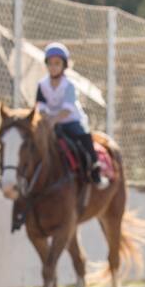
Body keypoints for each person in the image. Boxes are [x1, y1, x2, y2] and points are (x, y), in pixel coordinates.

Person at [35, 43, 107, 189]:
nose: (53, 67)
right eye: (50, 63)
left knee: (84, 137)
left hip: (70, 120)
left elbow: (68, 109)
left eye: (57, 63)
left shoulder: (69, 85)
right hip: (49, 121)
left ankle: (94, 170)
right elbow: (40, 105)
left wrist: (53, 120)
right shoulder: (42, 84)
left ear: (64, 65)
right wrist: (46, 119)